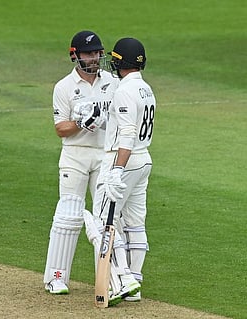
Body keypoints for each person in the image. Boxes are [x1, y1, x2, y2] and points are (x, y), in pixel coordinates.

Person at [43, 30, 119, 294]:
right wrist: (80, 123)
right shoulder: (63, 87)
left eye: (98, 52)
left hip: (104, 156)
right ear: (75, 55)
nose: (95, 58)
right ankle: (56, 277)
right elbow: (60, 128)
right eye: (89, 53)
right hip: (75, 155)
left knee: (104, 219)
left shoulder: (112, 81)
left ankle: (110, 280)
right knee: (69, 215)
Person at [92, 37, 156, 303]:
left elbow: (127, 134)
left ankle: (122, 279)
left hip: (124, 161)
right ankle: (135, 283)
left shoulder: (123, 92)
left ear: (121, 62)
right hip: (144, 160)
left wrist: (116, 170)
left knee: (103, 219)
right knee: (134, 222)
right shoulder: (146, 89)